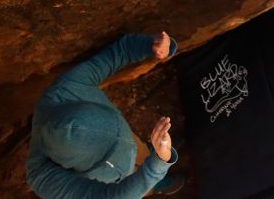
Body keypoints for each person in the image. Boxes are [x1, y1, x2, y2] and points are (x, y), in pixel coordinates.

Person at [26, 32, 185, 198]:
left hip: (130, 148)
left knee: (139, 153)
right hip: (108, 182)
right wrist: (158, 165)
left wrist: (155, 46)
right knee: (137, 184)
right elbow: (115, 196)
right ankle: (152, 186)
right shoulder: (41, 176)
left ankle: (145, 165)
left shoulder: (69, 87)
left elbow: (121, 51)